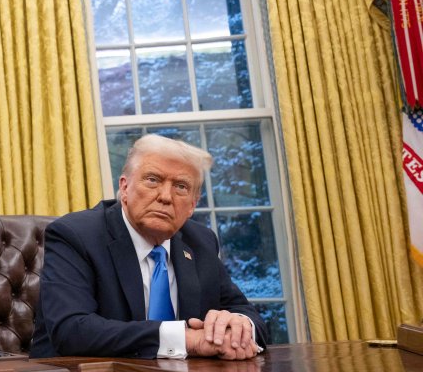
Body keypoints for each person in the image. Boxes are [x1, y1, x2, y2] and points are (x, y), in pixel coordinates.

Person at [29, 134, 268, 360]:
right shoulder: (76, 235)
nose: (166, 196)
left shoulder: (200, 242)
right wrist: (187, 340)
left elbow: (250, 316)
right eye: (153, 180)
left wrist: (237, 328)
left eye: (181, 187)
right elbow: (72, 330)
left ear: (193, 205)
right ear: (124, 188)